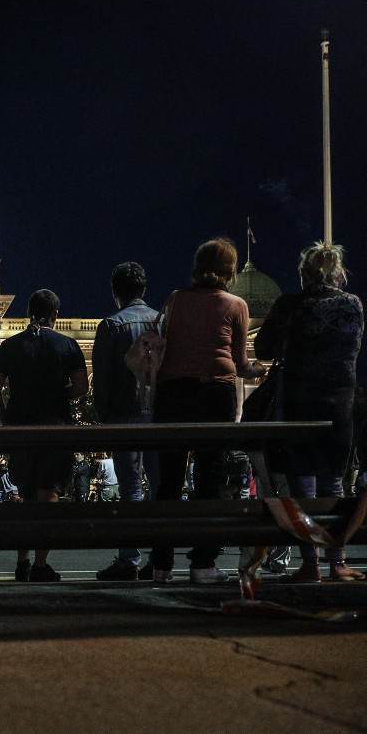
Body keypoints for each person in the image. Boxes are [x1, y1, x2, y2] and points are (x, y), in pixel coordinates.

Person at [151, 238, 266, 584]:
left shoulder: (174, 299)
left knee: (169, 480)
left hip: (173, 393)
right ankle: (203, 563)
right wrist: (258, 370)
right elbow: (241, 364)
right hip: (214, 392)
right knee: (209, 480)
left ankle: (161, 564)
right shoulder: (236, 305)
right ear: (230, 271)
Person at [256, 241, 364, 582]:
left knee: (303, 486)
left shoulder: (290, 305)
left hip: (299, 403)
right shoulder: (353, 305)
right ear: (337, 274)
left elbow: (263, 348)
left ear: (303, 275)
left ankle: (310, 562)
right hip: (340, 403)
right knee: (334, 483)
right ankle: (337, 561)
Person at [0, 289, 88, 583]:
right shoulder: (67, 344)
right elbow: (82, 387)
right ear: (55, 315)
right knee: (48, 495)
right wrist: (58, 395)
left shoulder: (10, 345)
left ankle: (22, 562)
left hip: (21, 430)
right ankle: (40, 565)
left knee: (25, 496)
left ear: (29, 312)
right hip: (54, 430)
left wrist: (6, 419)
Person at [92, 261, 161, 581]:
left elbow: (102, 379)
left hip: (124, 415)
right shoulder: (162, 322)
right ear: (143, 289)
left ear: (114, 292)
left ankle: (128, 559)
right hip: (159, 417)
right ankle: (160, 560)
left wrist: (103, 416)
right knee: (160, 488)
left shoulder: (111, 325)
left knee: (130, 488)